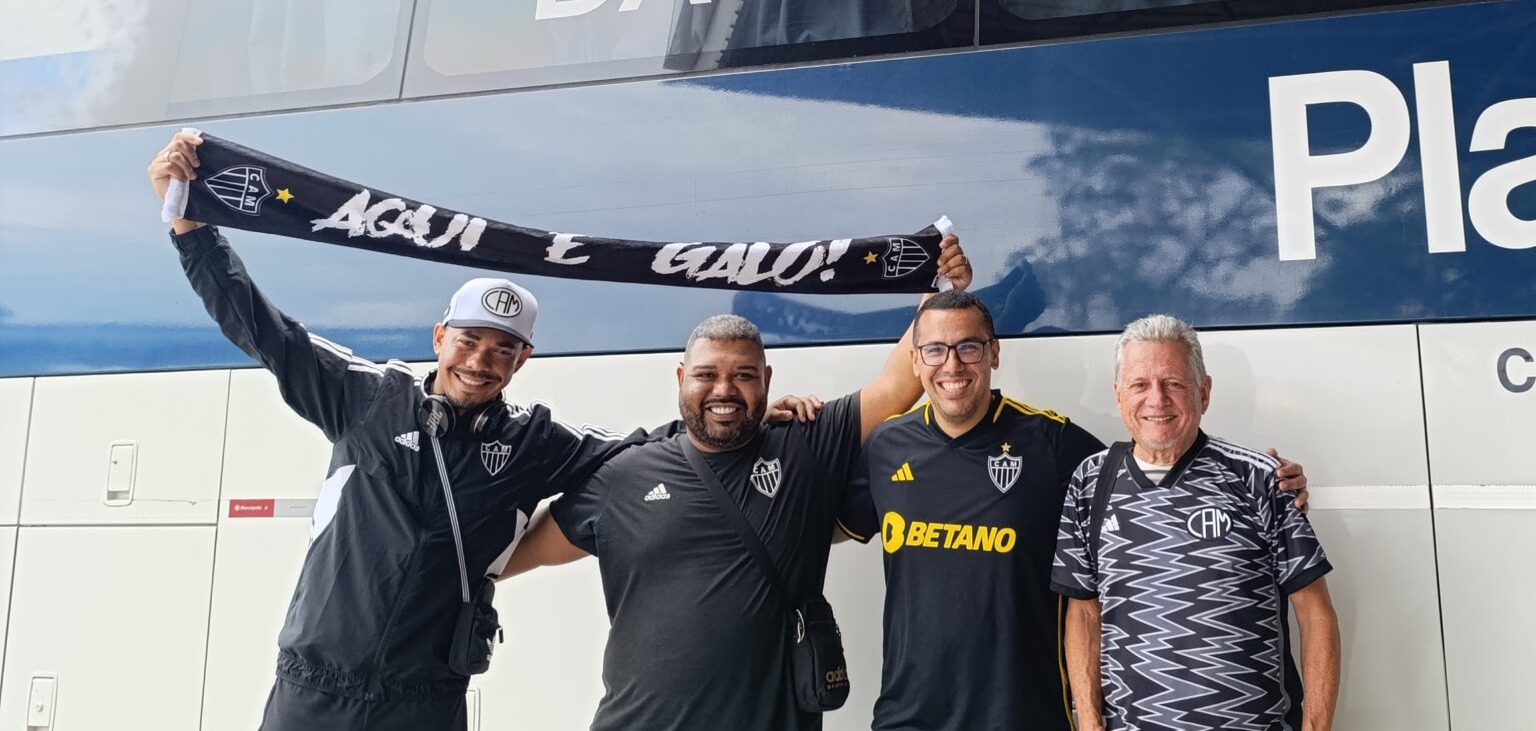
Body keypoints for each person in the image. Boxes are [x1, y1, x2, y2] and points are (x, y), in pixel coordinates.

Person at [147, 129, 670, 731]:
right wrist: (189, 224)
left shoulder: (535, 441)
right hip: (313, 693)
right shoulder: (365, 396)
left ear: (523, 359)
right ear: (439, 337)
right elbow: (261, 328)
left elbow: (647, 450)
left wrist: (757, 414)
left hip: (425, 702)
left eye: (503, 349)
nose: (480, 362)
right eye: (468, 341)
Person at [500, 239, 972, 731]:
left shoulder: (807, 446)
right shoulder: (622, 476)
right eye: (707, 374)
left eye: (743, 375)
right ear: (681, 377)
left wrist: (939, 289)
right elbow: (514, 554)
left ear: (767, 379)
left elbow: (898, 385)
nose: (724, 389)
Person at [836, 290, 1312, 731]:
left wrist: (1271, 486)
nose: (952, 364)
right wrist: (776, 439)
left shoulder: (1052, 443)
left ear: (994, 354)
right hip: (909, 716)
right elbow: (819, 529)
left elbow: (1153, 454)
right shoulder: (885, 446)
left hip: (1025, 715)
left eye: (969, 347)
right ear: (916, 361)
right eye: (936, 350)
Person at [1053, 314, 1341, 731]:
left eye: (1173, 383)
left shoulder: (1259, 478)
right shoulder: (1090, 482)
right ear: (1118, 395)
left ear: (1203, 393)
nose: (1157, 399)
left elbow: (1316, 613)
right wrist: (1091, 724)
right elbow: (1084, 614)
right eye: (1140, 385)